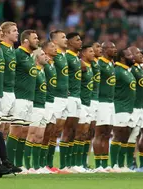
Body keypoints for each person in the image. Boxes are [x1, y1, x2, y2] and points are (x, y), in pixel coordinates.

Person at [7, 30, 39, 170]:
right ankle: (8, 163)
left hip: (29, 99)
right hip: (19, 98)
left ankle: (19, 165)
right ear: (25, 40)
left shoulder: (29, 56)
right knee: (15, 131)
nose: (37, 40)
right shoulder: (17, 54)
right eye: (35, 38)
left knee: (24, 132)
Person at [23, 48, 50, 174]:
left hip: (43, 106)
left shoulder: (43, 72)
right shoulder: (34, 72)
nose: (46, 56)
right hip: (35, 106)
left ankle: (37, 166)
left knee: (40, 137)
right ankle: (27, 166)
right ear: (36, 58)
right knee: (31, 135)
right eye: (43, 54)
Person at [110, 48, 136, 173]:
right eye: (129, 55)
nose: (132, 56)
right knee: (118, 136)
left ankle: (121, 165)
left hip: (129, 109)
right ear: (122, 58)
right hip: (119, 108)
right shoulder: (117, 71)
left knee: (125, 137)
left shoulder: (127, 71)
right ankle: (114, 165)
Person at [93, 41, 117, 172]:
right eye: (112, 48)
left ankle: (104, 162)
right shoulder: (99, 64)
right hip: (101, 102)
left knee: (107, 134)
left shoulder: (111, 64)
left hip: (110, 103)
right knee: (99, 133)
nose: (115, 49)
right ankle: (98, 165)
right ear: (104, 50)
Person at [48, 30, 70, 172]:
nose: (66, 39)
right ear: (54, 41)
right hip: (54, 97)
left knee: (57, 132)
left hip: (64, 97)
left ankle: (50, 164)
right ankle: (44, 163)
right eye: (63, 37)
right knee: (50, 131)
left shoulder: (63, 56)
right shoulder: (52, 56)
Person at [63, 32, 83, 172]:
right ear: (70, 43)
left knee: (74, 131)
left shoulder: (76, 58)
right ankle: (64, 164)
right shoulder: (67, 57)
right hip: (69, 97)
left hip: (77, 97)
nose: (80, 42)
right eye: (77, 40)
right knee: (67, 130)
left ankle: (71, 164)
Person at [74, 45, 94, 172]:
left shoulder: (90, 67)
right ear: (84, 53)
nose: (93, 53)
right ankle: (74, 164)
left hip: (88, 103)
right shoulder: (81, 66)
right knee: (78, 133)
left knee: (86, 134)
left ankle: (82, 163)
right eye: (90, 51)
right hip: (80, 102)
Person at [40, 41, 59, 172]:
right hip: (45, 101)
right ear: (45, 51)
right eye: (52, 47)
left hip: (53, 101)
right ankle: (40, 164)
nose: (55, 49)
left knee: (52, 132)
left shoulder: (52, 64)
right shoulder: (44, 64)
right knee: (44, 133)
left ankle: (48, 164)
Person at [127, 46, 143, 170]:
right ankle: (126, 161)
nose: (141, 55)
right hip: (132, 107)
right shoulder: (131, 69)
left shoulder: (140, 68)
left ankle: (133, 160)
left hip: (140, 106)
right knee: (126, 135)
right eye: (138, 53)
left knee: (135, 136)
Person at [0, 22, 18, 139]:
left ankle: (2, 155)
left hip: (12, 92)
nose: (17, 33)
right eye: (14, 31)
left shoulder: (13, 50)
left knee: (7, 128)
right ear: (6, 33)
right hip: (2, 91)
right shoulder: (0, 48)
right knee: (0, 126)